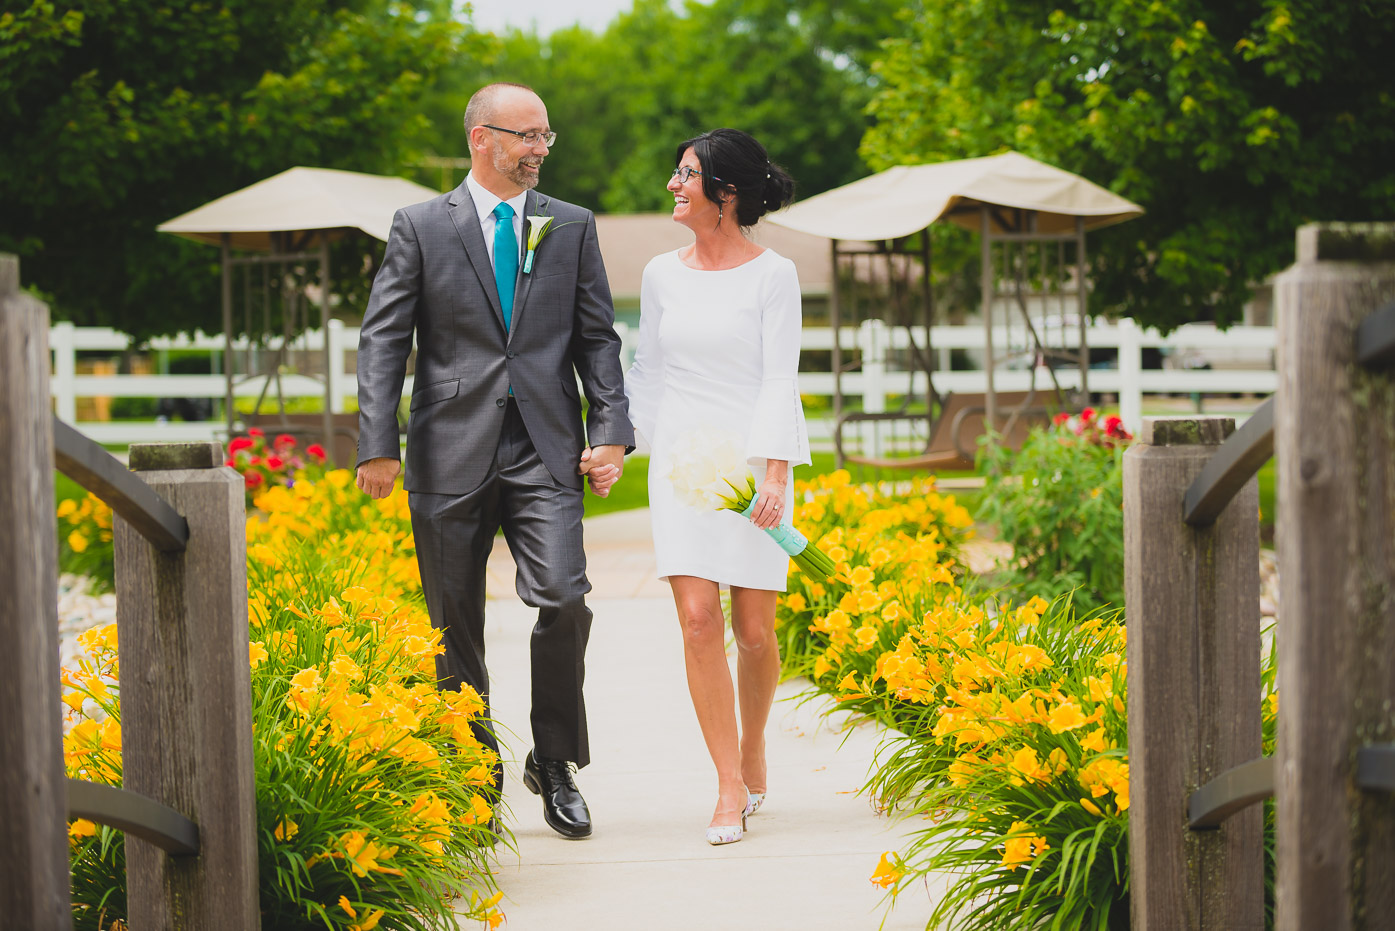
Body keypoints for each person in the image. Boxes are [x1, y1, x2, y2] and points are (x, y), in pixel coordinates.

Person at [355, 82, 633, 840]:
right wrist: (378, 442)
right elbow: (383, 339)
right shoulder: (419, 226)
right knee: (454, 624)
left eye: (547, 135)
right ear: (482, 137)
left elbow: (596, 337)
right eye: (526, 135)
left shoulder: (568, 226)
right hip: (448, 446)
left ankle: (555, 759)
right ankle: (472, 768)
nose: (540, 148)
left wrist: (609, 427)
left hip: (544, 447)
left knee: (564, 599)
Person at [624, 128, 806, 845]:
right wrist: (619, 445)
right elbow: (650, 372)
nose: (673, 185)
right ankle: (728, 782)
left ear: (724, 193)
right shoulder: (660, 274)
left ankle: (753, 743)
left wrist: (774, 471)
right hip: (680, 463)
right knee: (699, 619)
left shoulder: (774, 274)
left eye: (685, 174)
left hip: (754, 456)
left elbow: (777, 377)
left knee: (753, 631)